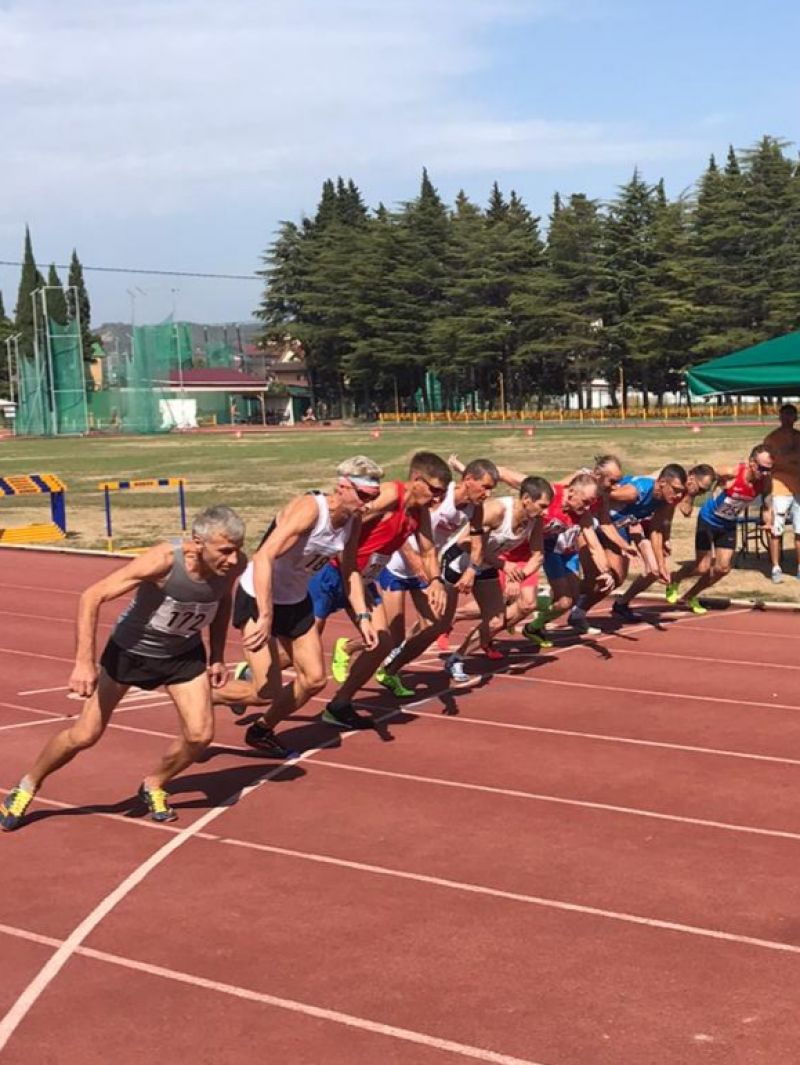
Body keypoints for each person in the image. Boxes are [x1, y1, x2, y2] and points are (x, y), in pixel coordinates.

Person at [0, 506, 247, 831]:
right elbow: (91, 596)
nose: (233, 559)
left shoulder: (233, 566)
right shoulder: (163, 561)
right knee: (85, 734)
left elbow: (222, 600)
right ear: (198, 543)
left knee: (200, 735)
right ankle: (27, 785)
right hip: (131, 652)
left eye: (237, 549)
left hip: (183, 655)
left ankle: (154, 784)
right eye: (225, 550)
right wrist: (83, 662)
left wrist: (217, 655)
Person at [213, 456, 383, 755]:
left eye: (374, 497)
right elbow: (263, 556)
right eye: (364, 496)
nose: (368, 505)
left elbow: (350, 570)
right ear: (343, 487)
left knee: (314, 679)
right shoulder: (310, 510)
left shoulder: (353, 521)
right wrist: (265, 615)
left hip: (295, 600)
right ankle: (204, 697)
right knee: (265, 692)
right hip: (258, 596)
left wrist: (364, 616)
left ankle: (261, 730)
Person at [317, 451, 451, 727]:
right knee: (296, 652)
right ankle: (253, 671)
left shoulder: (420, 513)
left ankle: (339, 704)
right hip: (330, 573)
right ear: (417, 480)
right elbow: (347, 518)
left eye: (443, 493)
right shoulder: (390, 495)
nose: (438, 498)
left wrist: (436, 581)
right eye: (435, 490)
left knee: (382, 643)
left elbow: (428, 550)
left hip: (363, 581)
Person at [373, 458, 499, 696]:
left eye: (491, 489)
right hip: (397, 565)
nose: (488, 494)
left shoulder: (475, 509)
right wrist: (415, 562)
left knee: (435, 626)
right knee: (393, 637)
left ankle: (390, 671)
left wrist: (472, 570)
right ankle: (349, 648)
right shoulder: (439, 495)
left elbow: (477, 543)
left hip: (427, 567)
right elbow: (401, 529)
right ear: (468, 480)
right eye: (485, 487)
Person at [443, 476, 554, 683]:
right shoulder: (497, 511)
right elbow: (466, 542)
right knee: (436, 621)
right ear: (526, 499)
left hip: (486, 566)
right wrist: (504, 566)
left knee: (496, 621)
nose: (546, 512)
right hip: (458, 563)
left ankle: (456, 659)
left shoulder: (535, 521)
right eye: (542, 506)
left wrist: (519, 575)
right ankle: (397, 651)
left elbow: (537, 555)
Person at [666, 445, 774, 611]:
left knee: (722, 569)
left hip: (728, 525)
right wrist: (689, 498)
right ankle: (675, 578)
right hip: (708, 520)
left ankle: (690, 596)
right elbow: (700, 478)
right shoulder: (731, 473)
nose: (766, 473)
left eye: (769, 469)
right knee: (702, 567)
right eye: (762, 468)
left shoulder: (765, 482)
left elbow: (767, 506)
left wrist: (769, 522)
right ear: (752, 462)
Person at [522, 473, 615, 645]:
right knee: (564, 602)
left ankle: (534, 621)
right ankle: (529, 615)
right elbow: (517, 480)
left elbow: (594, 545)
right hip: (544, 549)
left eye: (591, 503)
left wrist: (606, 572)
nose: (587, 507)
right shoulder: (550, 494)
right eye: (585, 502)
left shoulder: (583, 515)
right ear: (571, 492)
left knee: (573, 597)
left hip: (563, 549)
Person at [614, 464, 716, 614]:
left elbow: (666, 515)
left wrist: (666, 538)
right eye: (700, 489)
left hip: (643, 519)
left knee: (655, 571)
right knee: (616, 573)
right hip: (629, 516)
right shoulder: (668, 483)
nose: (700, 493)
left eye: (704, 491)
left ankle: (622, 603)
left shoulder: (678, 491)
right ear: (691, 478)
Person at [764, 404, 800, 582]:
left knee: (799, 531)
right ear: (779, 417)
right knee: (776, 530)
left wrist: (786, 460)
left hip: (798, 489)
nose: (787, 418)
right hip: (779, 489)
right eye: (784, 415)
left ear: (795, 418)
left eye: (790, 415)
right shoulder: (771, 439)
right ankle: (776, 567)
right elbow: (768, 462)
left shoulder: (798, 437)